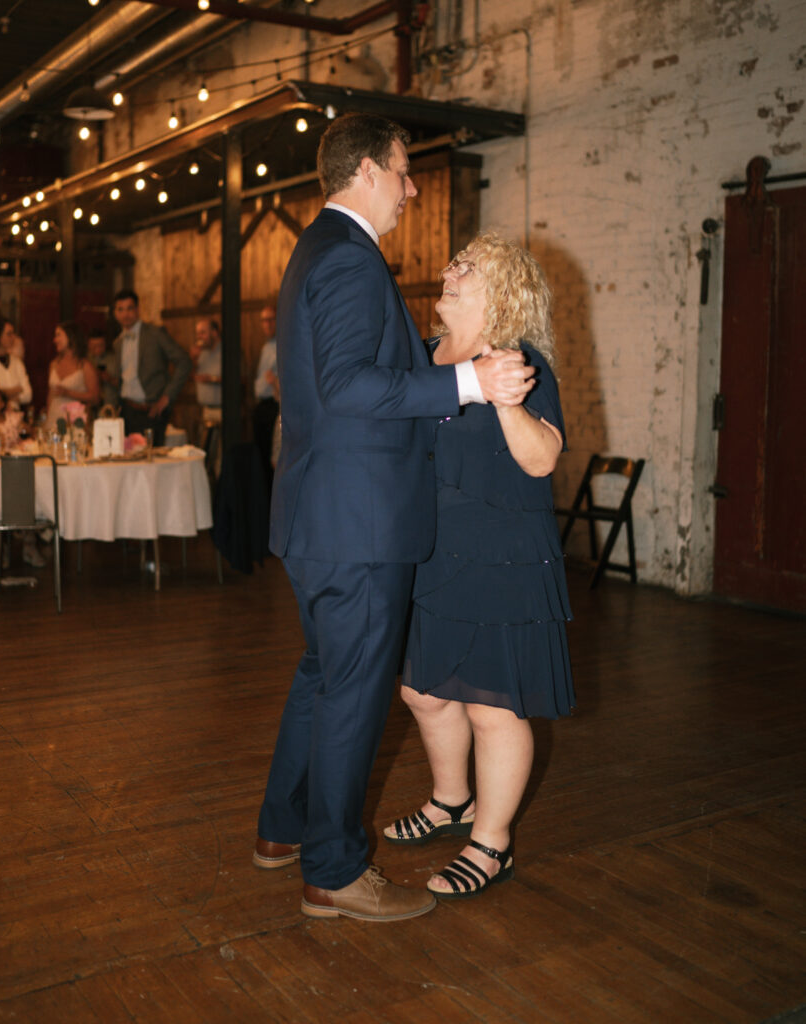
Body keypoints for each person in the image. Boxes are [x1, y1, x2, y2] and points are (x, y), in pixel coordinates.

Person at [254, 113, 535, 923]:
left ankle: (281, 830)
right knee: (350, 695)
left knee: (320, 679)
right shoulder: (348, 258)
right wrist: (468, 384)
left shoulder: (319, 250)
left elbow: (337, 380)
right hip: (358, 527)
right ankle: (334, 872)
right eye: (406, 171)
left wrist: (439, 362)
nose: (412, 188)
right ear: (369, 171)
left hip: (324, 515)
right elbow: (346, 385)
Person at [382, 233, 575, 899]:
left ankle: (491, 843)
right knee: (423, 691)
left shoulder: (520, 362)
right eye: (453, 262)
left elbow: (542, 459)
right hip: (430, 549)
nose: (447, 270)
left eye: (466, 265)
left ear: (503, 288)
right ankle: (450, 800)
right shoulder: (426, 356)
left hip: (501, 555)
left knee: (493, 708)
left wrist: (509, 404)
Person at [111, 289, 191, 446]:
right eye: (120, 309)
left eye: (129, 308)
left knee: (152, 464)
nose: (125, 314)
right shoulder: (118, 343)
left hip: (152, 410)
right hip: (127, 411)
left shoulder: (155, 334)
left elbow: (184, 362)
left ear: (138, 310)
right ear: (115, 313)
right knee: (129, 464)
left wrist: (166, 398)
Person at [0, 383, 44, 568]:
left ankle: (29, 546)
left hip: (16, 472)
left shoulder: (14, 419)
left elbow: (31, 433)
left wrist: (27, 433)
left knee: (28, 498)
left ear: (3, 403)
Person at [45, 322, 100, 430]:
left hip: (74, 420)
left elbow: (95, 397)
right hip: (53, 418)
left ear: (71, 336)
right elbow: (50, 394)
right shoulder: (54, 364)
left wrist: (68, 393)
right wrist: (47, 417)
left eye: (58, 335)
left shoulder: (84, 366)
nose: (55, 340)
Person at [252, 306, 278, 480]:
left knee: (273, 458)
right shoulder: (266, 347)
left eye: (270, 319)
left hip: (274, 405)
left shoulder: (283, 344)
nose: (267, 324)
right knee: (260, 458)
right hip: (261, 404)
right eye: (263, 320)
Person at [0, 316, 32, 411]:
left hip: (15, 416)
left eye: (13, 333)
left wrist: (3, 394)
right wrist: (16, 390)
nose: (13, 337)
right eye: (9, 334)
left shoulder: (17, 362)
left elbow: (28, 394)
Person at [190, 318, 222, 431]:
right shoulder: (201, 353)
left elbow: (239, 379)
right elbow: (192, 377)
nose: (199, 337)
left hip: (222, 411)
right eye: (198, 333)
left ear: (214, 333)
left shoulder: (226, 351)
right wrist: (193, 360)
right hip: (206, 410)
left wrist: (212, 379)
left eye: (203, 333)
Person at [87, 329, 119, 411]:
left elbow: (124, 385)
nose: (97, 349)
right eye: (94, 346)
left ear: (105, 344)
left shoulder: (114, 359)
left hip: (110, 405)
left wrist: (110, 379)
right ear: (88, 345)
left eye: (100, 345)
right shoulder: (85, 360)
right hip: (89, 405)